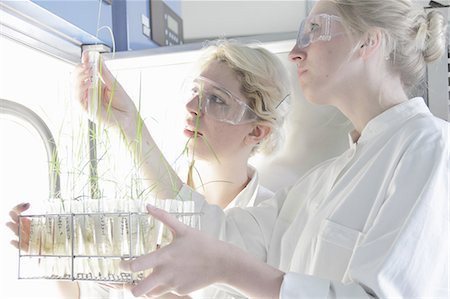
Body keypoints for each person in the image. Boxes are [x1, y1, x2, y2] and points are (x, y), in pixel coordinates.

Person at [119, 0, 449, 298]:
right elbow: (220, 234)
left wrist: (229, 267)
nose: (295, 52)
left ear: (368, 41)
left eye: (315, 30)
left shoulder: (429, 145)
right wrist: (126, 123)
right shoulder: (320, 182)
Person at [6, 40, 291, 298]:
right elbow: (88, 293)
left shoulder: (271, 223)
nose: (192, 106)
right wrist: (51, 254)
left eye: (217, 99)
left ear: (257, 132)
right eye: (195, 91)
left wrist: (155, 290)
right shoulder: (140, 191)